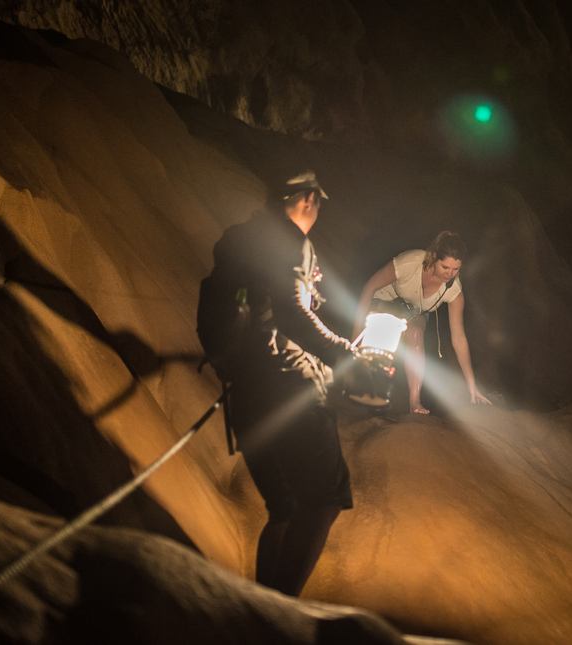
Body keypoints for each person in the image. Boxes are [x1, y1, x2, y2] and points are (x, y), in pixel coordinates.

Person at [205, 170, 353, 596]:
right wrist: (346, 354)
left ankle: (260, 608)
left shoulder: (242, 238)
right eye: (318, 203)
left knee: (284, 508)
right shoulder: (290, 240)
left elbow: (269, 303)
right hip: (288, 387)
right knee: (324, 500)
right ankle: (279, 614)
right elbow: (291, 314)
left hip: (246, 393)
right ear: (308, 199)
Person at [353, 231, 490, 414]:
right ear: (434, 257)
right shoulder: (410, 263)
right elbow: (369, 287)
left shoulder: (454, 291)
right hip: (384, 303)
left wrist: (472, 386)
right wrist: (354, 336)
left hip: (413, 314)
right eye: (445, 267)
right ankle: (362, 384)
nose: (450, 274)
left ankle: (414, 402)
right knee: (383, 332)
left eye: (456, 269)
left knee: (416, 333)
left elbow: (459, 338)